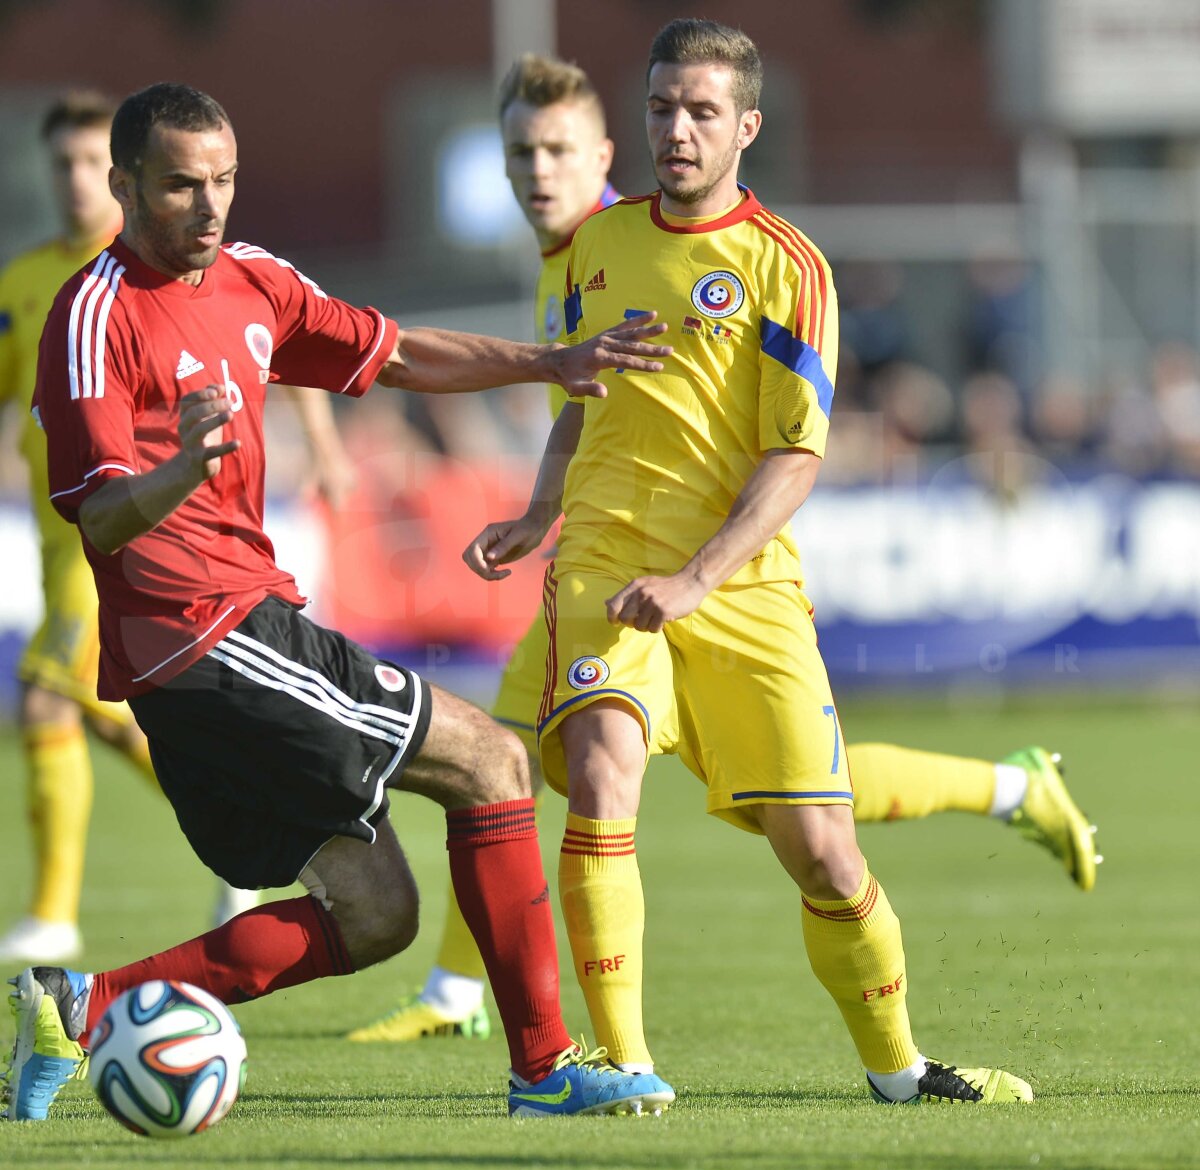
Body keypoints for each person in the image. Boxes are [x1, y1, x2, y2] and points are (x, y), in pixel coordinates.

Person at [347, 51, 1099, 1046]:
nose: (538, 173)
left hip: (720, 578)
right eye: (520, 152)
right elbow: (587, 404)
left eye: (559, 151)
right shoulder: (585, 254)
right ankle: (563, 1040)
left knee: (796, 818)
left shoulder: (750, 257)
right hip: (606, 561)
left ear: (603, 155)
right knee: (535, 766)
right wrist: (541, 511)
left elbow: (793, 448)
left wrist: (695, 572)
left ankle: (1000, 801)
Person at [2, 81, 677, 1123]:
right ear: (124, 184)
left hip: (227, 641)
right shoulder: (93, 314)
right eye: (182, 184)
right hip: (203, 637)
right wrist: (185, 469)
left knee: (375, 915)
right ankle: (545, 1074)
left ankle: (82, 1004)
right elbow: (99, 519)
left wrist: (548, 361)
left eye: (224, 180)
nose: (210, 204)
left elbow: (393, 352)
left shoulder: (253, 279)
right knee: (492, 762)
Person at [0, 91, 310, 965]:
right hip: (66, 535)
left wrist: (319, 438)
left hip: (129, 538)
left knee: (48, 701)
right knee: (96, 714)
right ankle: (240, 819)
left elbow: (283, 348)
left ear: (122, 178)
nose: (68, 182)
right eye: (55, 164)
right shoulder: (29, 288)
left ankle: (57, 913)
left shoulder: (166, 280)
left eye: (80, 163)